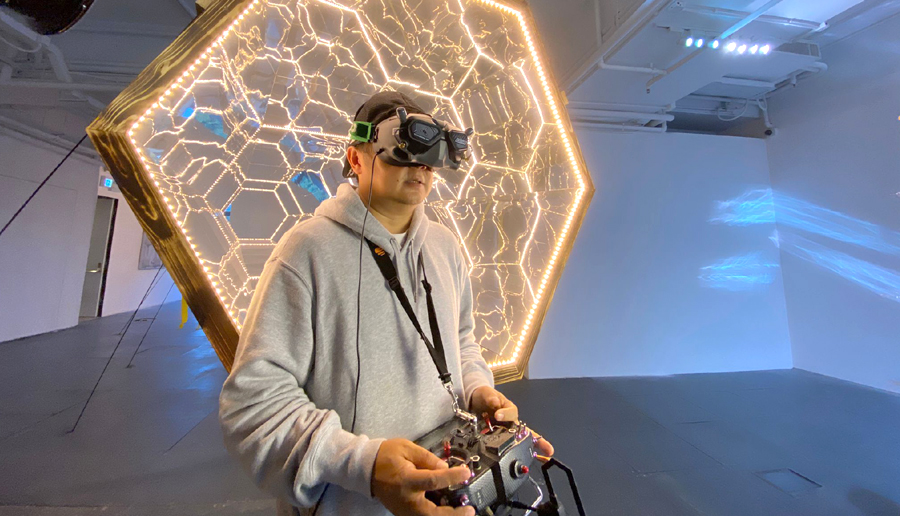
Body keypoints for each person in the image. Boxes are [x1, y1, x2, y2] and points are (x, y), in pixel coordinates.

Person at [219, 92, 553, 516]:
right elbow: (255, 404)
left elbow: (462, 341)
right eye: (405, 150)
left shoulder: (445, 247)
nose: (421, 167)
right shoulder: (305, 252)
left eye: (430, 157)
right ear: (356, 159)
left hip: (448, 496)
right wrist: (365, 465)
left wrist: (475, 388)